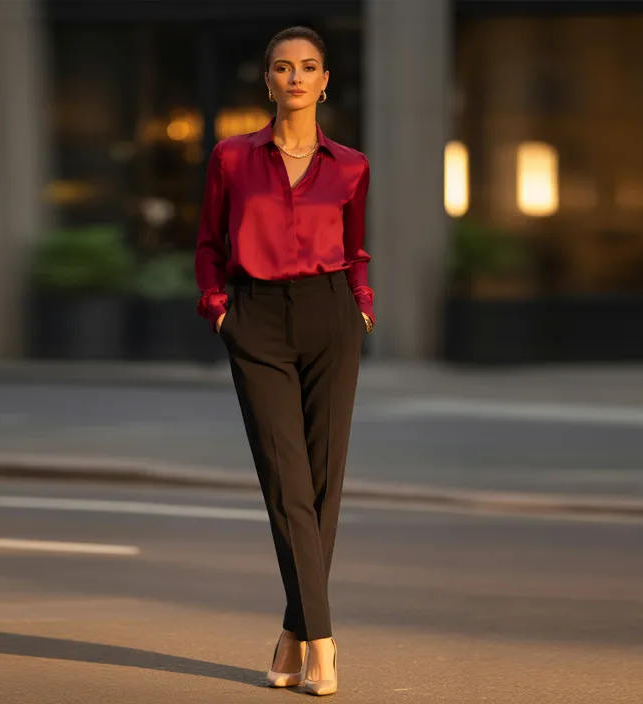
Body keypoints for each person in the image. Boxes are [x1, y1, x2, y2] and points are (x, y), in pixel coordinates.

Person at [193, 26, 374, 697]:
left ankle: (293, 633)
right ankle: (323, 645)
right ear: (267, 82)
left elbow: (357, 250)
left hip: (331, 314)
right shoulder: (232, 158)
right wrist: (220, 310)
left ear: (325, 81)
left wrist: (361, 305)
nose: (295, 77)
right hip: (257, 320)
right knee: (286, 482)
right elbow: (209, 242)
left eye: (308, 67)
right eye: (282, 67)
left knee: (324, 483)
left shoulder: (351, 165)